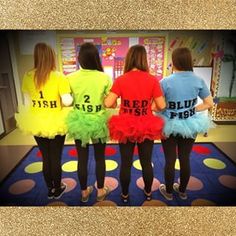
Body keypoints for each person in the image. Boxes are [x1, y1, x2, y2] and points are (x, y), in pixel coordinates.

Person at [104, 45, 166, 203]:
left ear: (129, 59)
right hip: (146, 124)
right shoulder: (152, 80)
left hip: (125, 126)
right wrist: (149, 107)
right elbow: (162, 105)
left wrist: (112, 103)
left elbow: (108, 102)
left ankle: (124, 195)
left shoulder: (120, 80)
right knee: (146, 162)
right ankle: (148, 193)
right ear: (144, 59)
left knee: (125, 163)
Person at [15, 43, 73, 199]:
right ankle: (58, 188)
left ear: (36, 57)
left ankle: (49, 189)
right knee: (55, 157)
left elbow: (27, 103)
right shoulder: (58, 76)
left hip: (36, 122)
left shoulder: (28, 76)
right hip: (56, 122)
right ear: (51, 57)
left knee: (45, 157)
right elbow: (67, 101)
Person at [158, 47, 214, 200]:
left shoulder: (165, 81)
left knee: (170, 160)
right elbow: (209, 103)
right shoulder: (198, 80)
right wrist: (193, 109)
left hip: (169, 124)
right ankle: (182, 191)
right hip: (190, 123)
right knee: (185, 158)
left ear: (174, 62)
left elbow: (158, 106)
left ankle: (168, 192)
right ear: (189, 61)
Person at [66, 42, 112, 202]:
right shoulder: (104, 77)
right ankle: (100, 191)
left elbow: (68, 100)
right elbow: (110, 102)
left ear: (80, 59)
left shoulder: (70, 77)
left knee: (82, 159)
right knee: (100, 158)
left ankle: (84, 192)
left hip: (79, 121)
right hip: (98, 121)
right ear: (96, 58)